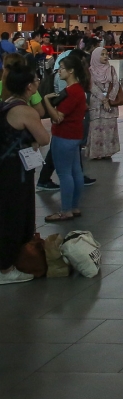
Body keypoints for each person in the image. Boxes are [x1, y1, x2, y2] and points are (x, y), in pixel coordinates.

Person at [0, 60, 49, 285]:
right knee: (15, 216)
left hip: (5, 166)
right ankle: (6, 268)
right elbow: (43, 138)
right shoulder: (26, 111)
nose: (38, 83)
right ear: (29, 87)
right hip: (15, 171)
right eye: (36, 81)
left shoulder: (5, 104)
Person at [41, 54, 89, 222]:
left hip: (64, 135)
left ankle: (65, 210)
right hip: (75, 135)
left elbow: (57, 117)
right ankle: (74, 207)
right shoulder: (79, 90)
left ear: (71, 71)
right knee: (76, 171)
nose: (59, 71)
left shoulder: (71, 92)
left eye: (61, 68)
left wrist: (46, 101)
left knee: (64, 173)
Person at [86, 47, 121, 160]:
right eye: (102, 54)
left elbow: (116, 84)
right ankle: (97, 153)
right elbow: (92, 86)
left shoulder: (111, 69)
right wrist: (103, 99)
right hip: (96, 104)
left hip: (110, 105)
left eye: (106, 54)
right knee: (96, 128)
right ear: (96, 56)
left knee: (109, 128)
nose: (105, 56)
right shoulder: (90, 70)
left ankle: (108, 152)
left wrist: (109, 99)